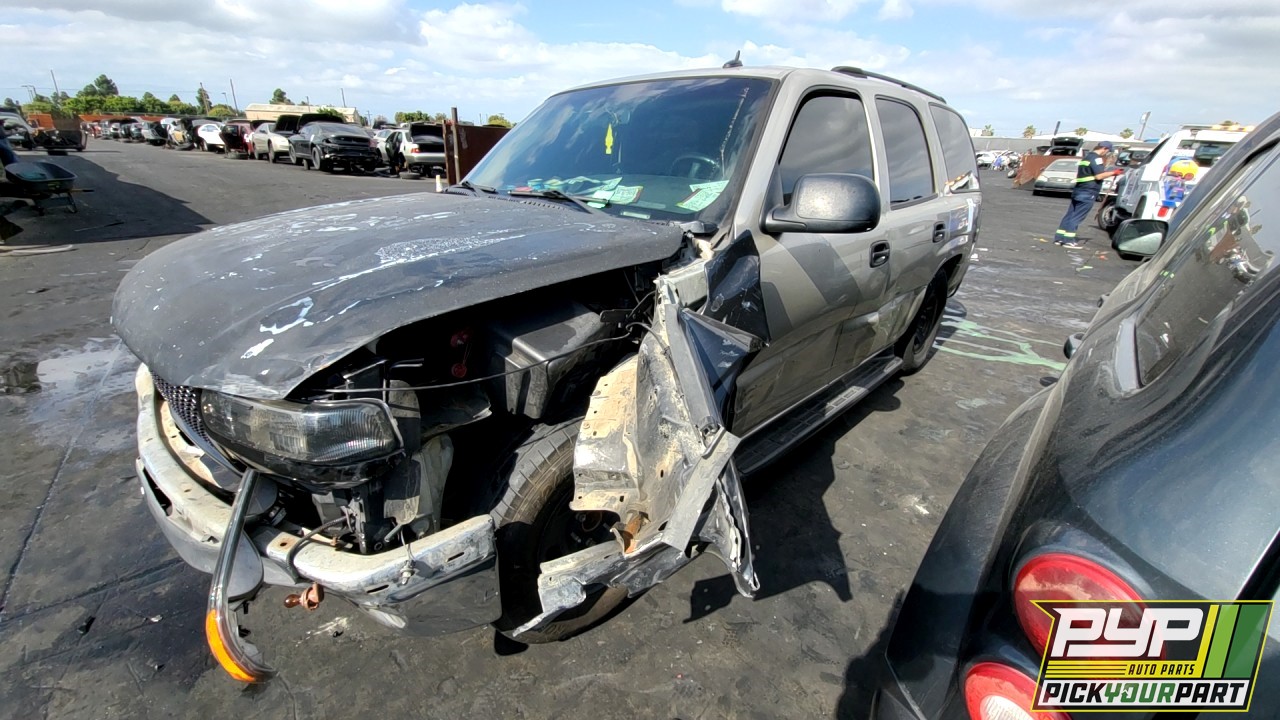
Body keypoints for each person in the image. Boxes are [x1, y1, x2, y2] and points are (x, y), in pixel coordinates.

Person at [1054, 140, 1124, 248]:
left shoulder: (1086, 158)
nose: (1107, 153)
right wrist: (1113, 173)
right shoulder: (1097, 159)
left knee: (1070, 215)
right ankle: (1068, 240)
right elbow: (1098, 176)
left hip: (1079, 190)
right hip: (1088, 191)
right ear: (1104, 149)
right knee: (1077, 217)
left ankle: (1059, 238)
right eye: (1107, 151)